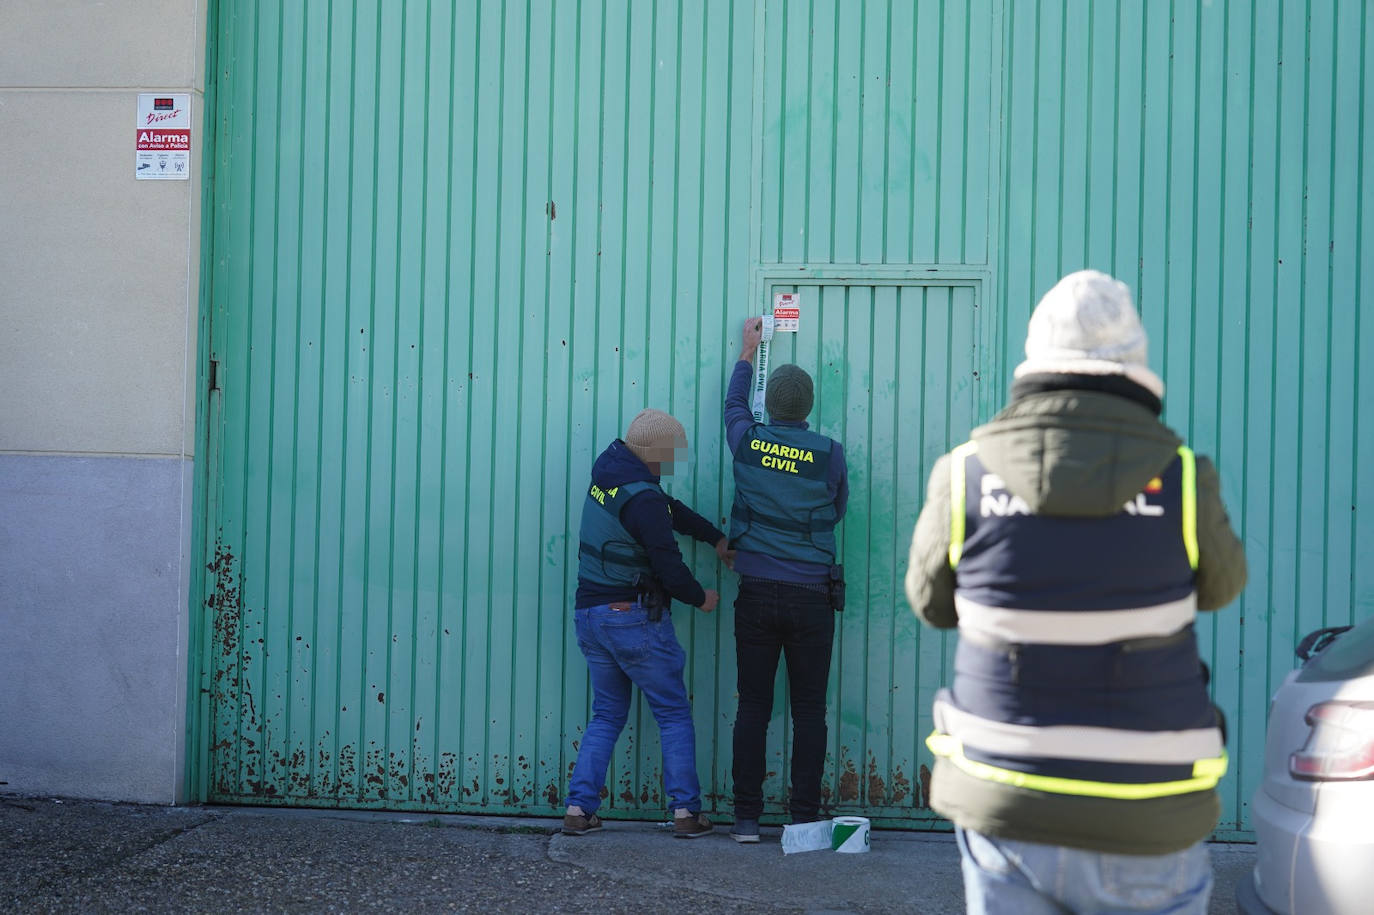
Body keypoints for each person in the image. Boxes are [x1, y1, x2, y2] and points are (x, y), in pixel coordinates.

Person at [904, 270, 1247, 913]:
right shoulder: (1182, 478)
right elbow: (1222, 587)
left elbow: (930, 603)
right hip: (1148, 809)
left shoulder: (966, 473)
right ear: (1134, 365)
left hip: (1004, 800)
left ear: (1035, 360)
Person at [563, 408, 732, 839]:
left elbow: (669, 511)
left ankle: (579, 808)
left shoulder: (610, 476)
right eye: (669, 455)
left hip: (591, 616)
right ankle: (686, 813)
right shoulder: (643, 498)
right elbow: (670, 567)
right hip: (630, 616)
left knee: (606, 714)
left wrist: (713, 536)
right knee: (673, 713)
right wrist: (701, 598)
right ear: (654, 455)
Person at [724, 318, 849, 843]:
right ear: (808, 407)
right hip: (811, 597)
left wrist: (747, 352)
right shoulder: (829, 453)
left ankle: (747, 819)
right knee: (810, 710)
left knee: (753, 706)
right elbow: (836, 511)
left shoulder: (748, 442)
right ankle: (802, 817)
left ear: (770, 406)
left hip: (756, 591)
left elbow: (731, 407)